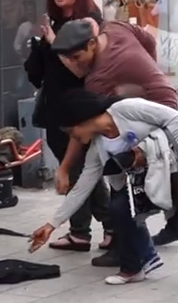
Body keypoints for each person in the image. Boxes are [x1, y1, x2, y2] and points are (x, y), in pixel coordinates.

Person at [52, 18, 178, 254]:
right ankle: (140, 245)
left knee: (131, 191)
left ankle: (127, 251)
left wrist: (65, 167)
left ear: (91, 44)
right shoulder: (115, 28)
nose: (74, 64)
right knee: (127, 186)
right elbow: (148, 40)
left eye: (77, 57)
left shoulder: (98, 80)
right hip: (159, 100)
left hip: (158, 114)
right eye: (68, 59)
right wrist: (150, 72)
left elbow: (80, 132)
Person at [29, 90, 178, 285]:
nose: (73, 138)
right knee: (119, 208)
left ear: (81, 121)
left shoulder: (126, 109)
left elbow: (174, 119)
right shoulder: (97, 148)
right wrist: (51, 225)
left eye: (71, 133)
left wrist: (147, 149)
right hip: (147, 180)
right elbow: (81, 188)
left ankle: (146, 256)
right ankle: (133, 268)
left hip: (172, 166)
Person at [24, 0, 111, 252]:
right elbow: (41, 70)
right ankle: (81, 231)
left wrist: (54, 42)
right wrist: (39, 47)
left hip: (80, 106)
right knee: (75, 170)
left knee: (83, 170)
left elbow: (83, 69)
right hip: (54, 104)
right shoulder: (52, 20)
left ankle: (111, 227)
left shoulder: (89, 22)